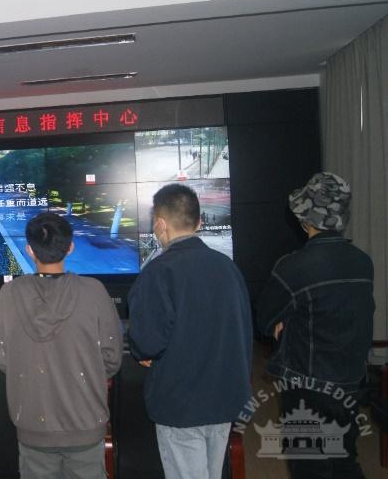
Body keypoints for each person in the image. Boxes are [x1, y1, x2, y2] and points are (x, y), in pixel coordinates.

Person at [128, 184, 252, 479]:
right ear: (198, 223)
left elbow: (147, 342)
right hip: (224, 398)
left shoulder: (158, 272)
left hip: (180, 404)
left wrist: (142, 351)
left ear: (160, 224)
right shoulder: (227, 267)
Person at [256, 172, 374, 479]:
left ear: (305, 218)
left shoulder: (293, 266)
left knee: (309, 466)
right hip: (349, 382)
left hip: (307, 387)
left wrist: (283, 322)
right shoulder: (363, 262)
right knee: (344, 460)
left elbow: (265, 319)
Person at [0, 212, 123, 479]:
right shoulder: (94, 291)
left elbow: (3, 359)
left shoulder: (9, 293)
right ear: (70, 247)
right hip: (86, 422)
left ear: (30, 250)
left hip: (33, 425)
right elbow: (112, 358)